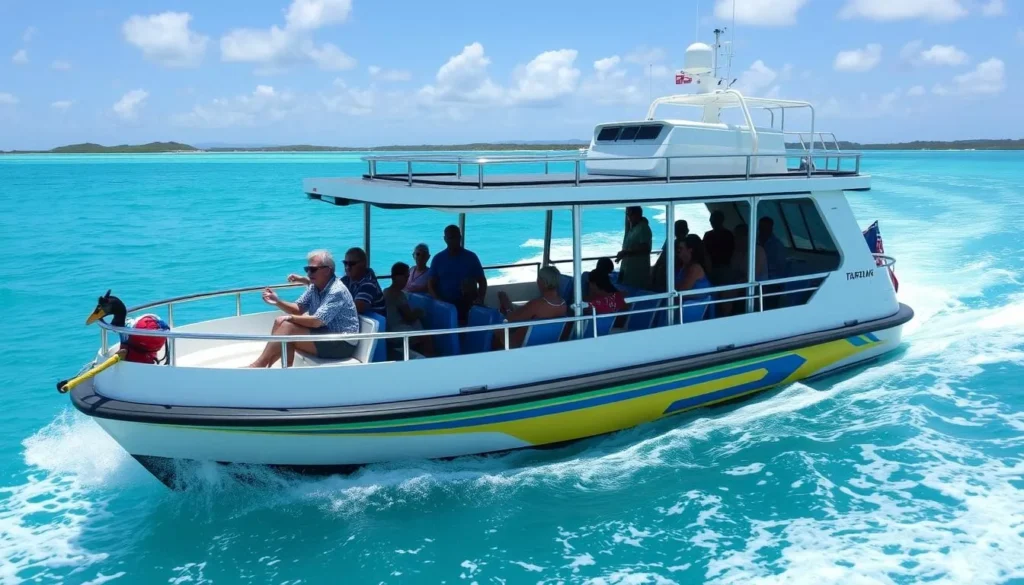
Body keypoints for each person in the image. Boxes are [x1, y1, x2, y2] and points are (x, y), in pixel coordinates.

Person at [248, 250, 360, 367]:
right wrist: (277, 301)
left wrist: (290, 318)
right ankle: (284, 370)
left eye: (313, 269)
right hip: (324, 334)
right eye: (307, 269)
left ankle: (259, 365)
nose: (308, 273)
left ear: (327, 270)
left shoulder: (337, 291)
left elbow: (317, 321)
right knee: (281, 324)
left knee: (287, 327)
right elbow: (298, 308)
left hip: (342, 343)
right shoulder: (314, 287)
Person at [493, 266, 566, 350]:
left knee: (496, 331)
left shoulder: (536, 304)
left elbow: (511, 319)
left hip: (522, 343)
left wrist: (507, 307)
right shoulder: (563, 304)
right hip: (545, 343)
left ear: (542, 281)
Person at [427, 225, 487, 323]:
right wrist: (439, 302)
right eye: (450, 238)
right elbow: (430, 284)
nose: (453, 240)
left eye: (456, 237)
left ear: (460, 237)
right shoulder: (438, 259)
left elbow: (482, 280)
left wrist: (480, 299)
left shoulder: (471, 257)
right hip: (446, 305)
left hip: (468, 304)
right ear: (445, 239)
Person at [383, 262, 434, 357]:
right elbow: (409, 317)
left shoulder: (385, 291)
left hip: (388, 329)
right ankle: (430, 362)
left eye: (408, 277)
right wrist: (419, 312)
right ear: (395, 277)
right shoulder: (398, 295)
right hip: (396, 331)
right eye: (405, 277)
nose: (407, 280)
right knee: (427, 338)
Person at [616, 206, 653, 289]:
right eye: (627, 214)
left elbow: (645, 247)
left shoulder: (643, 228)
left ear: (637, 215)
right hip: (628, 269)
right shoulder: (633, 228)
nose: (628, 216)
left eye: (629, 214)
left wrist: (626, 252)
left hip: (637, 272)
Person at [651, 218, 689, 292]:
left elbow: (661, 258)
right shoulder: (690, 244)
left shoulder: (670, 242)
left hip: (668, 274)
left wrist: (654, 274)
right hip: (671, 275)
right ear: (687, 230)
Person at [703, 210, 736, 286]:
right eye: (711, 220)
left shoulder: (728, 235)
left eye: (713, 220)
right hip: (713, 267)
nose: (712, 222)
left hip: (724, 267)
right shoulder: (708, 235)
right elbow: (704, 251)